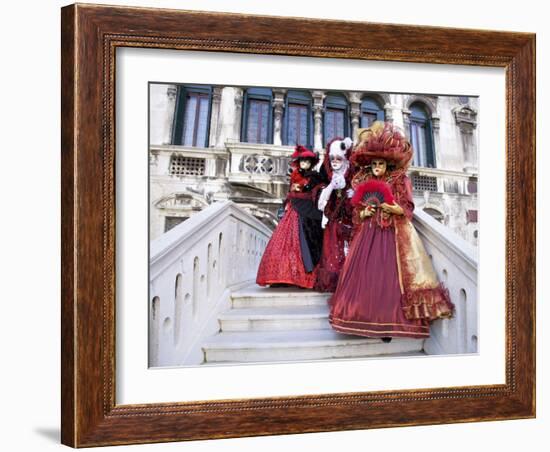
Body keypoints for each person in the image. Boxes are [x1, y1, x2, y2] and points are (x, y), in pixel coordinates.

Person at [329, 121, 454, 340]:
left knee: (389, 280)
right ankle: (361, 320)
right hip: (367, 233)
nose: (377, 166)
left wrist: (391, 206)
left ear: (388, 164)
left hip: (392, 234)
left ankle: (388, 325)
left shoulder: (399, 181)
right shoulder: (363, 182)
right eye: (374, 163)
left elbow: (407, 208)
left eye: (381, 163)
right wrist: (364, 213)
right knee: (366, 277)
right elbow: (356, 211)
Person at [256, 145, 325, 289]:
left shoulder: (315, 178)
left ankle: (305, 278)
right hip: (293, 212)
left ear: (311, 164)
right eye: (302, 161)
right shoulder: (295, 176)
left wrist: (305, 188)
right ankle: (282, 277)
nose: (304, 164)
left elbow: (317, 194)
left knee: (304, 244)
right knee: (284, 245)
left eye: (307, 162)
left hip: (308, 215)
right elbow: (291, 192)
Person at [315, 137, 354, 293]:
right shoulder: (329, 179)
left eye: (339, 158)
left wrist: (354, 194)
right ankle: (335, 281)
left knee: (349, 252)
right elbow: (321, 204)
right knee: (332, 254)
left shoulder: (352, 179)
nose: (335, 162)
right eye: (332, 158)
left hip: (350, 223)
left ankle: (349, 280)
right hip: (334, 222)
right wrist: (331, 187)